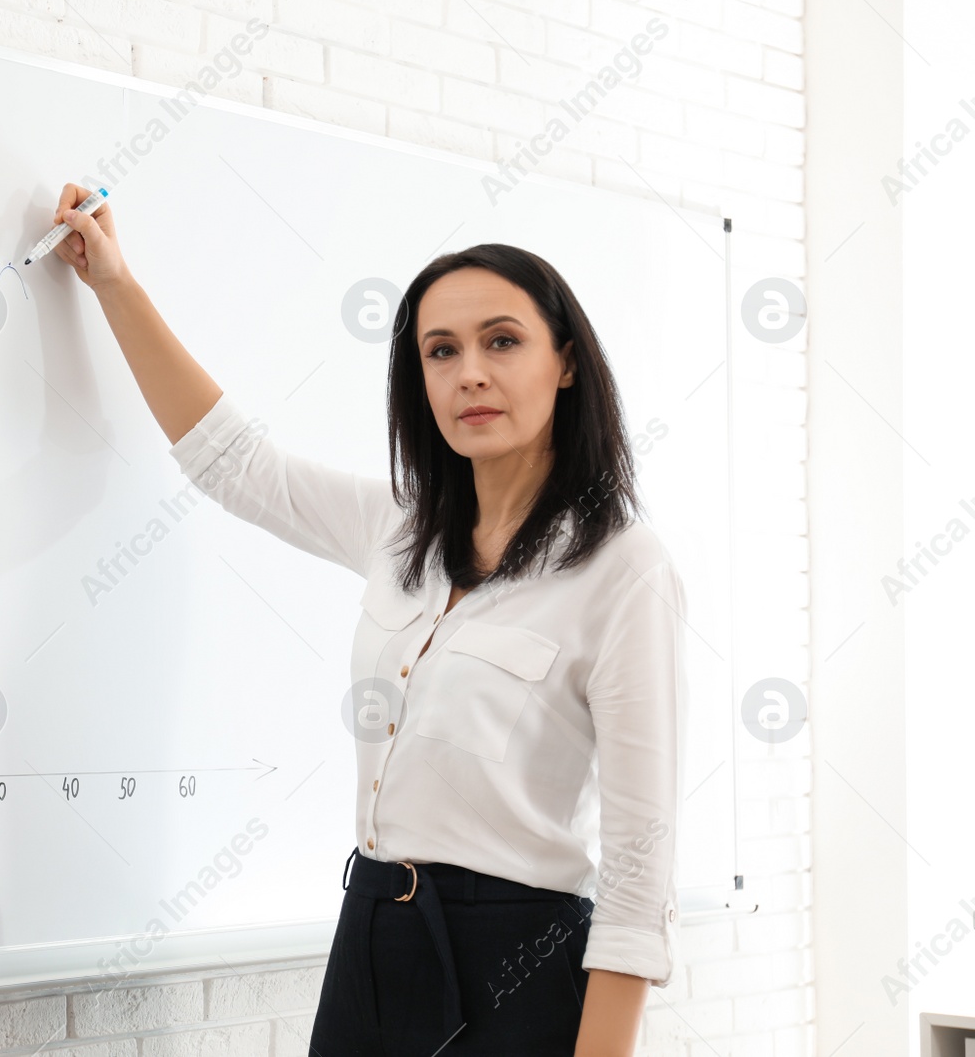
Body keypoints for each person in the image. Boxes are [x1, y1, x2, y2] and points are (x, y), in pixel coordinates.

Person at [45, 182, 687, 1056]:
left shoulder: (623, 567)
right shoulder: (400, 528)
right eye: (440, 350)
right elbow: (238, 467)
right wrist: (114, 283)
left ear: (566, 361)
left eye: (502, 341)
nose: (470, 373)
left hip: (519, 961)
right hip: (373, 937)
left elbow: (642, 861)